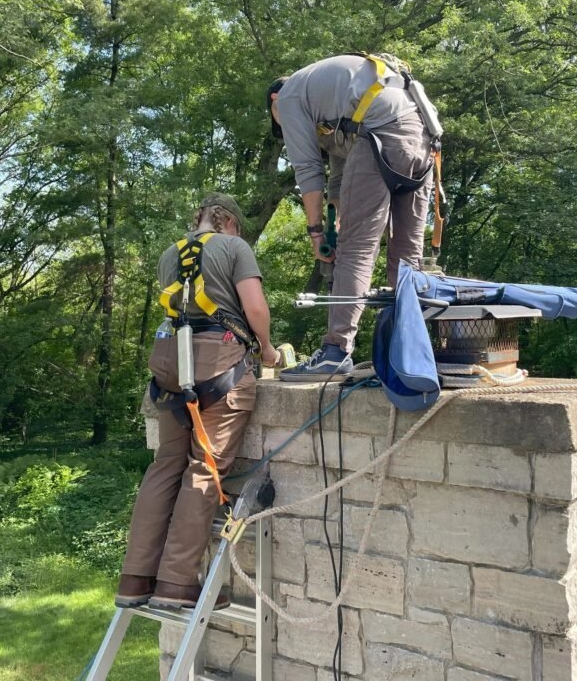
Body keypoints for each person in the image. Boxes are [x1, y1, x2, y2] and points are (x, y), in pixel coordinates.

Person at [116, 192, 281, 610]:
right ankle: (175, 584)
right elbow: (255, 308)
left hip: (170, 363)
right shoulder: (235, 247)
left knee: (165, 465)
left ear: (199, 218)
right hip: (219, 365)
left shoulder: (170, 254)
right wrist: (267, 350)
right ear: (228, 221)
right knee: (203, 468)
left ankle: (135, 578)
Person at [267, 54, 438, 381]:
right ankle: (412, 352)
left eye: (279, 123)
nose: (285, 128)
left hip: (384, 133)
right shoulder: (336, 98)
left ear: (275, 100)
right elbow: (339, 177)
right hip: (423, 139)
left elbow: (308, 170)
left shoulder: (288, 97)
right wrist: (334, 222)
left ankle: (335, 351)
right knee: (407, 254)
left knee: (357, 249)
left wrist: (316, 232)